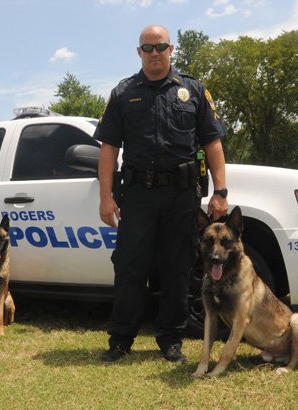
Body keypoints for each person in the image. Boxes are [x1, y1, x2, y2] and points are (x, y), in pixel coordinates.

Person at [95, 24, 228, 363]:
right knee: (129, 267)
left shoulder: (193, 90)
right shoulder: (123, 93)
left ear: (172, 50)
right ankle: (121, 340)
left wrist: (220, 192)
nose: (155, 53)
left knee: (177, 267)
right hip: (137, 195)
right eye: (147, 48)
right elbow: (109, 148)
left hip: (181, 197)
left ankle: (171, 340)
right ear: (138, 52)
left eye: (161, 47)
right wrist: (106, 196)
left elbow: (212, 143)